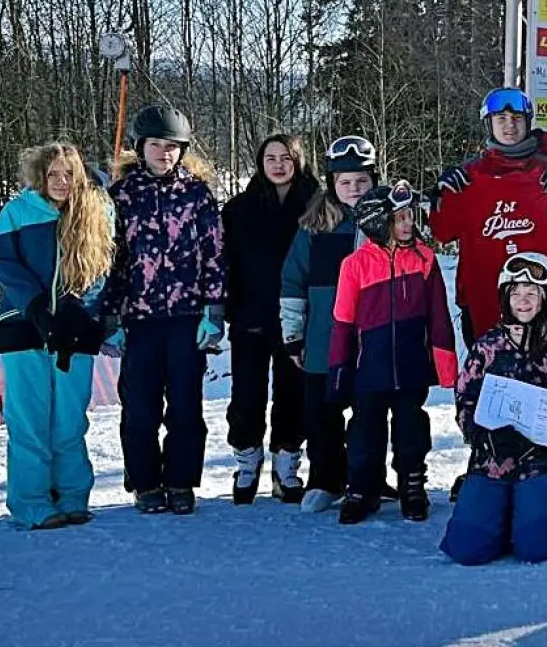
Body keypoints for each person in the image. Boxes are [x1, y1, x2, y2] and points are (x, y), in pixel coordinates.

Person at [103, 105, 225, 516]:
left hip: (186, 319)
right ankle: (145, 482)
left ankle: (179, 480)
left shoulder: (197, 193)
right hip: (138, 319)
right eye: (156, 144)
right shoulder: (120, 196)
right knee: (140, 407)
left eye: (172, 146)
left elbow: (214, 253)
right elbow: (110, 260)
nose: (164, 152)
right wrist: (110, 315)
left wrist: (214, 309)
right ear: (141, 147)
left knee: (187, 406)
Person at [441, 253, 547, 565]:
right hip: (492, 462)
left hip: (543, 462)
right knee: (467, 550)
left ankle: (542, 511)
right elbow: (465, 398)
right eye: (515, 293)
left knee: (536, 549)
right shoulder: (487, 347)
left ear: (545, 297)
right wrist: (481, 436)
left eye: (531, 294)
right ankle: (501, 512)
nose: (522, 302)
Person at [0, 143, 115, 529]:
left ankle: (72, 495)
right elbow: (4, 263)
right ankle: (32, 503)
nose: (62, 182)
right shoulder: (17, 211)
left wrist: (79, 308)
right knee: (28, 420)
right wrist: (38, 309)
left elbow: (104, 264)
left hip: (75, 329)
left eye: (69, 174)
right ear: (40, 176)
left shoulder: (97, 210)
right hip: (23, 326)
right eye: (53, 174)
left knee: (69, 418)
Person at [329, 181, 458, 524]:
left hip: (411, 366)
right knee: (364, 433)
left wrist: (446, 367)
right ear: (376, 222)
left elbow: (439, 317)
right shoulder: (354, 265)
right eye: (398, 219)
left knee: (412, 430)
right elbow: (342, 322)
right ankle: (361, 489)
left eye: (409, 218)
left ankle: (412, 485)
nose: (407, 225)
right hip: (367, 370)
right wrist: (339, 370)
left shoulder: (425, 259)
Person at [430, 87, 547, 345]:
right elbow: (441, 232)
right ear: (489, 124)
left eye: (517, 118)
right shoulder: (467, 178)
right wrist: (438, 196)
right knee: (490, 381)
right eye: (501, 119)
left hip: (542, 310)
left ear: (528, 122)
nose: (509, 125)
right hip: (485, 307)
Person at [280, 135, 379, 513]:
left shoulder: (386, 224)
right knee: (321, 414)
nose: (353, 189)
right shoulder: (315, 227)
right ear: (332, 184)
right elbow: (293, 281)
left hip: (372, 337)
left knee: (368, 413)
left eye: (361, 181)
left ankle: (365, 477)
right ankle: (324, 477)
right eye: (345, 182)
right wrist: (293, 334)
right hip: (324, 337)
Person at [222, 134, 320, 505]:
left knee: (292, 393)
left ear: (298, 162)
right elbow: (224, 262)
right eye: (270, 158)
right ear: (261, 163)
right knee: (246, 394)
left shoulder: (315, 205)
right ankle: (247, 460)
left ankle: (286, 463)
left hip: (299, 317)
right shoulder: (239, 208)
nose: (278, 165)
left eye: (286, 158)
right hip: (250, 314)